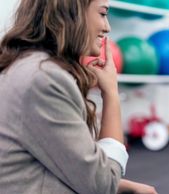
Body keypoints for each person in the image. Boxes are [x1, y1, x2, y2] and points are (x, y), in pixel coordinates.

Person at [0, 0, 157, 194]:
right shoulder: (45, 79)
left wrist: (121, 186)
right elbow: (101, 185)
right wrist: (111, 93)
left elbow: (61, 167)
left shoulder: (26, 67)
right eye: (103, 13)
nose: (107, 27)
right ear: (72, 12)